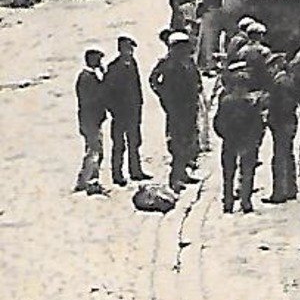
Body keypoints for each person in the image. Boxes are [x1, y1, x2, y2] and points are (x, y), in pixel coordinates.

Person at [148, 32, 202, 190]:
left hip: (190, 106)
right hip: (176, 108)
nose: (185, 49)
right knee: (177, 141)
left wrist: (198, 88)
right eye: (181, 47)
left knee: (188, 140)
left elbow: (196, 78)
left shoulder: (189, 62)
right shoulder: (167, 63)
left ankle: (183, 173)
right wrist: (164, 96)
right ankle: (175, 178)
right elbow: (153, 80)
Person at [212, 62, 267, 214]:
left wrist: (225, 136)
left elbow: (218, 123)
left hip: (230, 142)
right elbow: (258, 124)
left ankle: (228, 201)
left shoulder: (226, 101)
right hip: (247, 141)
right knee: (247, 172)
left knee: (228, 173)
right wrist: (256, 139)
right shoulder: (252, 103)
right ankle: (245, 201)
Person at [104, 35, 150, 185]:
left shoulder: (132, 64)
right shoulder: (114, 67)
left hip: (134, 110)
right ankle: (117, 174)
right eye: (126, 48)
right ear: (120, 49)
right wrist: (114, 110)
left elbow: (137, 87)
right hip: (120, 112)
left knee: (135, 142)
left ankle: (135, 171)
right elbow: (108, 92)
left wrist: (139, 105)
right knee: (119, 145)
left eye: (131, 49)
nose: (129, 51)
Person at [265, 53, 299, 204]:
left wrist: (272, 116)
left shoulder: (280, 82)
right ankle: (291, 188)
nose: (270, 70)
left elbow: (284, 105)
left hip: (282, 122)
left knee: (279, 157)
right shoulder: (287, 80)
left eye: (271, 66)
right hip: (289, 121)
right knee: (288, 154)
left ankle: (279, 192)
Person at [75, 48, 108, 195]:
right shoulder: (87, 77)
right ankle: (90, 181)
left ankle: (84, 180)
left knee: (93, 149)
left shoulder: (89, 76)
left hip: (90, 118)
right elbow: (92, 99)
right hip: (90, 118)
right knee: (95, 151)